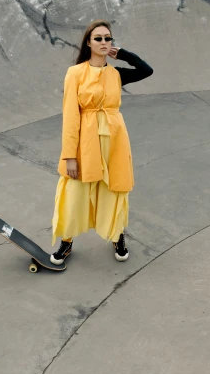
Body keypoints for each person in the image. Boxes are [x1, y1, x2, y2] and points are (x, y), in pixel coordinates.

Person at [50, 19, 153, 265]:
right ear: (88, 43)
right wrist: (69, 155)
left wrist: (124, 54)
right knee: (75, 190)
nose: (104, 42)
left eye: (108, 38)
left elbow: (145, 70)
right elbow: (70, 116)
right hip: (85, 141)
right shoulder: (75, 73)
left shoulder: (116, 74)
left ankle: (117, 234)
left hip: (116, 140)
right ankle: (66, 242)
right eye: (99, 38)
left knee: (114, 187)